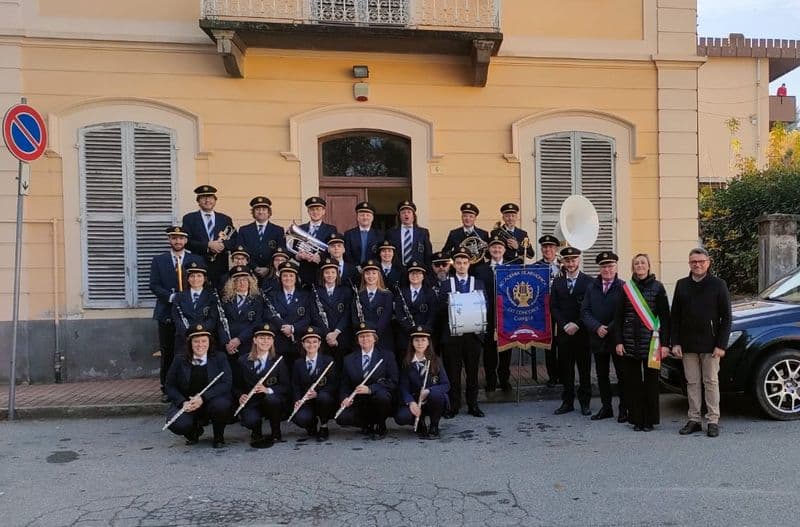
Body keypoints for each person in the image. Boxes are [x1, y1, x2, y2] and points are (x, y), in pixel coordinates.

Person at [671, 247, 732, 438]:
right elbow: (675, 317)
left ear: (708, 262)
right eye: (693, 262)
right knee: (692, 382)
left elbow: (727, 317)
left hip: (711, 344)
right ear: (689, 263)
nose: (697, 265)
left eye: (701, 261)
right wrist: (675, 342)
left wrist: (721, 345)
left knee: (711, 381)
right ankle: (694, 419)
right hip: (687, 344)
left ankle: (713, 420)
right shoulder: (681, 285)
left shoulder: (718, 284)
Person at [615, 253, 671, 432]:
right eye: (636, 263)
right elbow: (618, 317)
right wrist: (619, 342)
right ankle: (636, 419)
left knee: (651, 383)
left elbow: (665, 318)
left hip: (652, 344)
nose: (640, 265)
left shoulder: (658, 287)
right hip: (630, 342)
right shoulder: (626, 289)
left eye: (643, 263)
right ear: (633, 267)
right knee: (633, 384)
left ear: (648, 266)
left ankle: (650, 420)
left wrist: (665, 345)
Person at [148, 226, 203, 401]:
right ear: (169, 240)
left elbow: (201, 283)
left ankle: (191, 386)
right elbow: (154, 285)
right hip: (167, 312)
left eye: (181, 238)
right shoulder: (159, 260)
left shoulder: (195, 259)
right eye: (173, 238)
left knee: (192, 351)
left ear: (186, 240)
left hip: (191, 314)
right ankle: (167, 388)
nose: (177, 241)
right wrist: (171, 297)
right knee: (169, 352)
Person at [164, 324, 233, 448]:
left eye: (203, 341)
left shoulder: (219, 357)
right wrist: (182, 402)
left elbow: (226, 383)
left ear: (209, 342)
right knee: (175, 423)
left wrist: (203, 398)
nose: (200, 345)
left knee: (222, 405)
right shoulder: (179, 359)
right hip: (188, 403)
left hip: (211, 401)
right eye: (196, 341)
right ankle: (193, 432)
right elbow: (169, 386)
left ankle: (218, 437)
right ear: (190, 343)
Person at [438, 248, 487, 418]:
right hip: (452, 335)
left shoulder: (478, 283)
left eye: (465, 263)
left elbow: (484, 306)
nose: (461, 266)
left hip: (472, 335)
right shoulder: (446, 284)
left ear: (469, 264)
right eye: (458, 263)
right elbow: (440, 309)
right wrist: (452, 303)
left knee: (473, 372)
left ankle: (473, 404)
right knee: (453, 372)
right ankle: (454, 405)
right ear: (454, 264)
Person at [581, 252, 626, 421]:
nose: (607, 269)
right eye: (604, 266)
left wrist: (609, 328)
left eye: (610, 266)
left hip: (616, 339)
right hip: (597, 337)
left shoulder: (623, 287)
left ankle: (624, 408)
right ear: (599, 268)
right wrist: (597, 327)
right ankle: (606, 407)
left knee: (622, 375)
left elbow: (624, 313)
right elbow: (585, 311)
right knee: (602, 375)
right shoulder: (592, 287)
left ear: (616, 267)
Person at [336, 323, 399, 439]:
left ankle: (380, 424)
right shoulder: (348, 359)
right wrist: (344, 397)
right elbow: (344, 384)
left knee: (382, 396)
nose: (365, 339)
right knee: (342, 418)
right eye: (361, 337)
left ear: (375, 338)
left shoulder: (387, 356)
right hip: (360, 401)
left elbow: (393, 382)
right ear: (357, 340)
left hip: (379, 397)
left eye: (368, 336)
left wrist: (370, 389)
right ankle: (367, 424)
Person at [551, 247, 592, 416]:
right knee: (566, 369)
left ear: (579, 261)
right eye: (567, 261)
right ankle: (567, 402)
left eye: (573, 260)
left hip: (582, 333)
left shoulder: (589, 281)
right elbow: (553, 306)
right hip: (564, 332)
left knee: (584, 369)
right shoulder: (558, 282)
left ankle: (585, 402)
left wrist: (577, 324)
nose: (570, 264)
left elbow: (590, 308)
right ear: (563, 262)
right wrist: (564, 324)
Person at [236, 323, 291, 448]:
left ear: (272, 341)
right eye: (261, 338)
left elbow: (285, 386)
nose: (265, 341)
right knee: (250, 420)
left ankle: (276, 432)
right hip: (252, 401)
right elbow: (236, 386)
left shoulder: (278, 360)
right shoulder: (242, 360)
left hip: (271, 401)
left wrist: (268, 390)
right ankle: (256, 432)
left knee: (272, 400)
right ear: (255, 340)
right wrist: (241, 395)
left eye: (268, 338)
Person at [395, 328, 450, 439]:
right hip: (416, 400)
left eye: (423, 340)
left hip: (433, 400)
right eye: (416, 340)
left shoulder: (436, 360)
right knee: (401, 417)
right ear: (412, 343)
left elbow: (446, 385)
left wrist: (429, 391)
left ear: (428, 342)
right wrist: (411, 402)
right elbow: (403, 386)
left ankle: (434, 426)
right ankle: (420, 423)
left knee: (436, 395)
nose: (420, 343)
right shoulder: (407, 362)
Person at [473, 235, 512, 392]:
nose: (497, 250)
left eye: (500, 247)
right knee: (489, 350)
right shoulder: (480, 270)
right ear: (489, 250)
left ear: (504, 250)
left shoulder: (510, 267)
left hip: (507, 315)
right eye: (494, 247)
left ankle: (504, 379)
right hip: (487, 315)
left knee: (506, 349)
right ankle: (490, 380)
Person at [181, 185, 236, 291]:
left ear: (215, 200)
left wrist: (223, 246)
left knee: (220, 296)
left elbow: (234, 240)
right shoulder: (189, 218)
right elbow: (187, 242)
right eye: (203, 197)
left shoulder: (225, 219)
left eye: (210, 197)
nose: (207, 200)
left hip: (220, 267)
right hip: (198, 267)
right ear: (198, 201)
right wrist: (208, 245)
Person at [262, 261, 316, 366]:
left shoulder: (305, 296)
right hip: (279, 341)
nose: (288, 278)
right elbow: (268, 314)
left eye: (291, 276)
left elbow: (308, 317)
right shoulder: (272, 295)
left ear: (296, 278)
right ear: (280, 278)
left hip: (298, 342)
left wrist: (293, 328)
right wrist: (283, 326)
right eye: (285, 276)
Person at [290, 326, 337, 441]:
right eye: (308, 342)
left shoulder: (328, 361)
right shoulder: (298, 363)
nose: (311, 345)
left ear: (320, 343)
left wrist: (318, 393)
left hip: (323, 400)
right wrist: (297, 400)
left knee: (324, 397)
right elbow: (295, 385)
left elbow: (333, 384)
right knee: (299, 417)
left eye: (315, 342)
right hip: (306, 401)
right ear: (303, 344)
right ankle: (311, 424)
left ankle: (323, 426)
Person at [219, 265, 264, 386]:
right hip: (229, 346)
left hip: (248, 344)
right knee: (231, 375)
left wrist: (239, 339)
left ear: (250, 282)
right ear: (232, 283)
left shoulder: (257, 300)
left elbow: (257, 323)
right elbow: (221, 323)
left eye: (244, 279)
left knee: (246, 376)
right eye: (237, 280)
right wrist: (227, 343)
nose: (241, 283)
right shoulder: (225, 300)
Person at [171, 262, 219, 358]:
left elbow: (213, 318)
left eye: (199, 276)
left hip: (205, 340)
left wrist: (199, 333)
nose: (195, 279)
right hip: (184, 339)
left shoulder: (212, 296)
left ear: (204, 279)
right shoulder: (179, 297)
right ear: (188, 279)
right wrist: (188, 334)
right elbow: (177, 318)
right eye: (192, 276)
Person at [394, 261, 438, 361]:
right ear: (408, 275)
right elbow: (399, 314)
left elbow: (432, 315)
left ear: (423, 276)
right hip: (405, 336)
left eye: (418, 273)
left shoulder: (430, 293)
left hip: (424, 338)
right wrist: (411, 330)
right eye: (412, 273)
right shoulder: (401, 292)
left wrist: (423, 331)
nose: (415, 276)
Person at [235, 196, 285, 285]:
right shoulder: (244, 230)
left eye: (264, 209)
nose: (261, 212)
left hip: (271, 274)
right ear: (253, 212)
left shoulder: (278, 230)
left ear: (269, 212)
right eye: (257, 209)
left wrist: (268, 268)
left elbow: (281, 253)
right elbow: (241, 253)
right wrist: (254, 267)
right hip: (250, 273)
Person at [313, 257, 353, 363]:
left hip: (342, 336)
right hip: (324, 336)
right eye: (326, 272)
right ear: (322, 274)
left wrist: (336, 333)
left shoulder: (346, 291)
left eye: (332, 272)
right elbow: (315, 315)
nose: (330, 275)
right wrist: (328, 334)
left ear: (337, 274)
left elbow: (347, 314)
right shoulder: (315, 291)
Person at [535, 234, 562, 386]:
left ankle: (564, 375)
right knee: (549, 345)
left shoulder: (563, 265)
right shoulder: (536, 267)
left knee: (563, 345)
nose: (547, 250)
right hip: (544, 311)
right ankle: (552, 376)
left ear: (556, 248)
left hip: (562, 311)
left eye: (551, 247)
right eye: (545, 247)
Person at [351, 259, 394, 351]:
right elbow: (354, 317)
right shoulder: (357, 294)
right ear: (363, 276)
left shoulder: (387, 295)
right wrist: (364, 333)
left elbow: (386, 317)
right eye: (367, 273)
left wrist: (373, 335)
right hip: (363, 338)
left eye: (374, 273)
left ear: (379, 275)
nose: (370, 276)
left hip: (382, 337)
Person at [296, 196, 337, 287]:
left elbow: (333, 249)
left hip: (322, 271)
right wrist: (298, 256)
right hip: (304, 272)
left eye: (318, 209)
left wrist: (320, 256)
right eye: (312, 209)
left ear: (323, 211)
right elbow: (294, 248)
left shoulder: (331, 229)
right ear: (308, 211)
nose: (315, 212)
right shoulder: (300, 228)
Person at [386, 200, 432, 268]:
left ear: (413, 215)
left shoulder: (423, 232)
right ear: (399, 216)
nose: (406, 214)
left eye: (409, 212)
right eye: (403, 212)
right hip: (397, 269)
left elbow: (428, 254)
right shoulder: (391, 233)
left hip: (417, 270)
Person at [344, 201, 383, 266]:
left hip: (373, 270)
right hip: (354, 270)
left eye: (368, 215)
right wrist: (356, 267)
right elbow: (347, 254)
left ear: (372, 218)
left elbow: (380, 254)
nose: (365, 217)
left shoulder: (380, 235)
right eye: (362, 215)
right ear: (357, 217)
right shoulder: (349, 234)